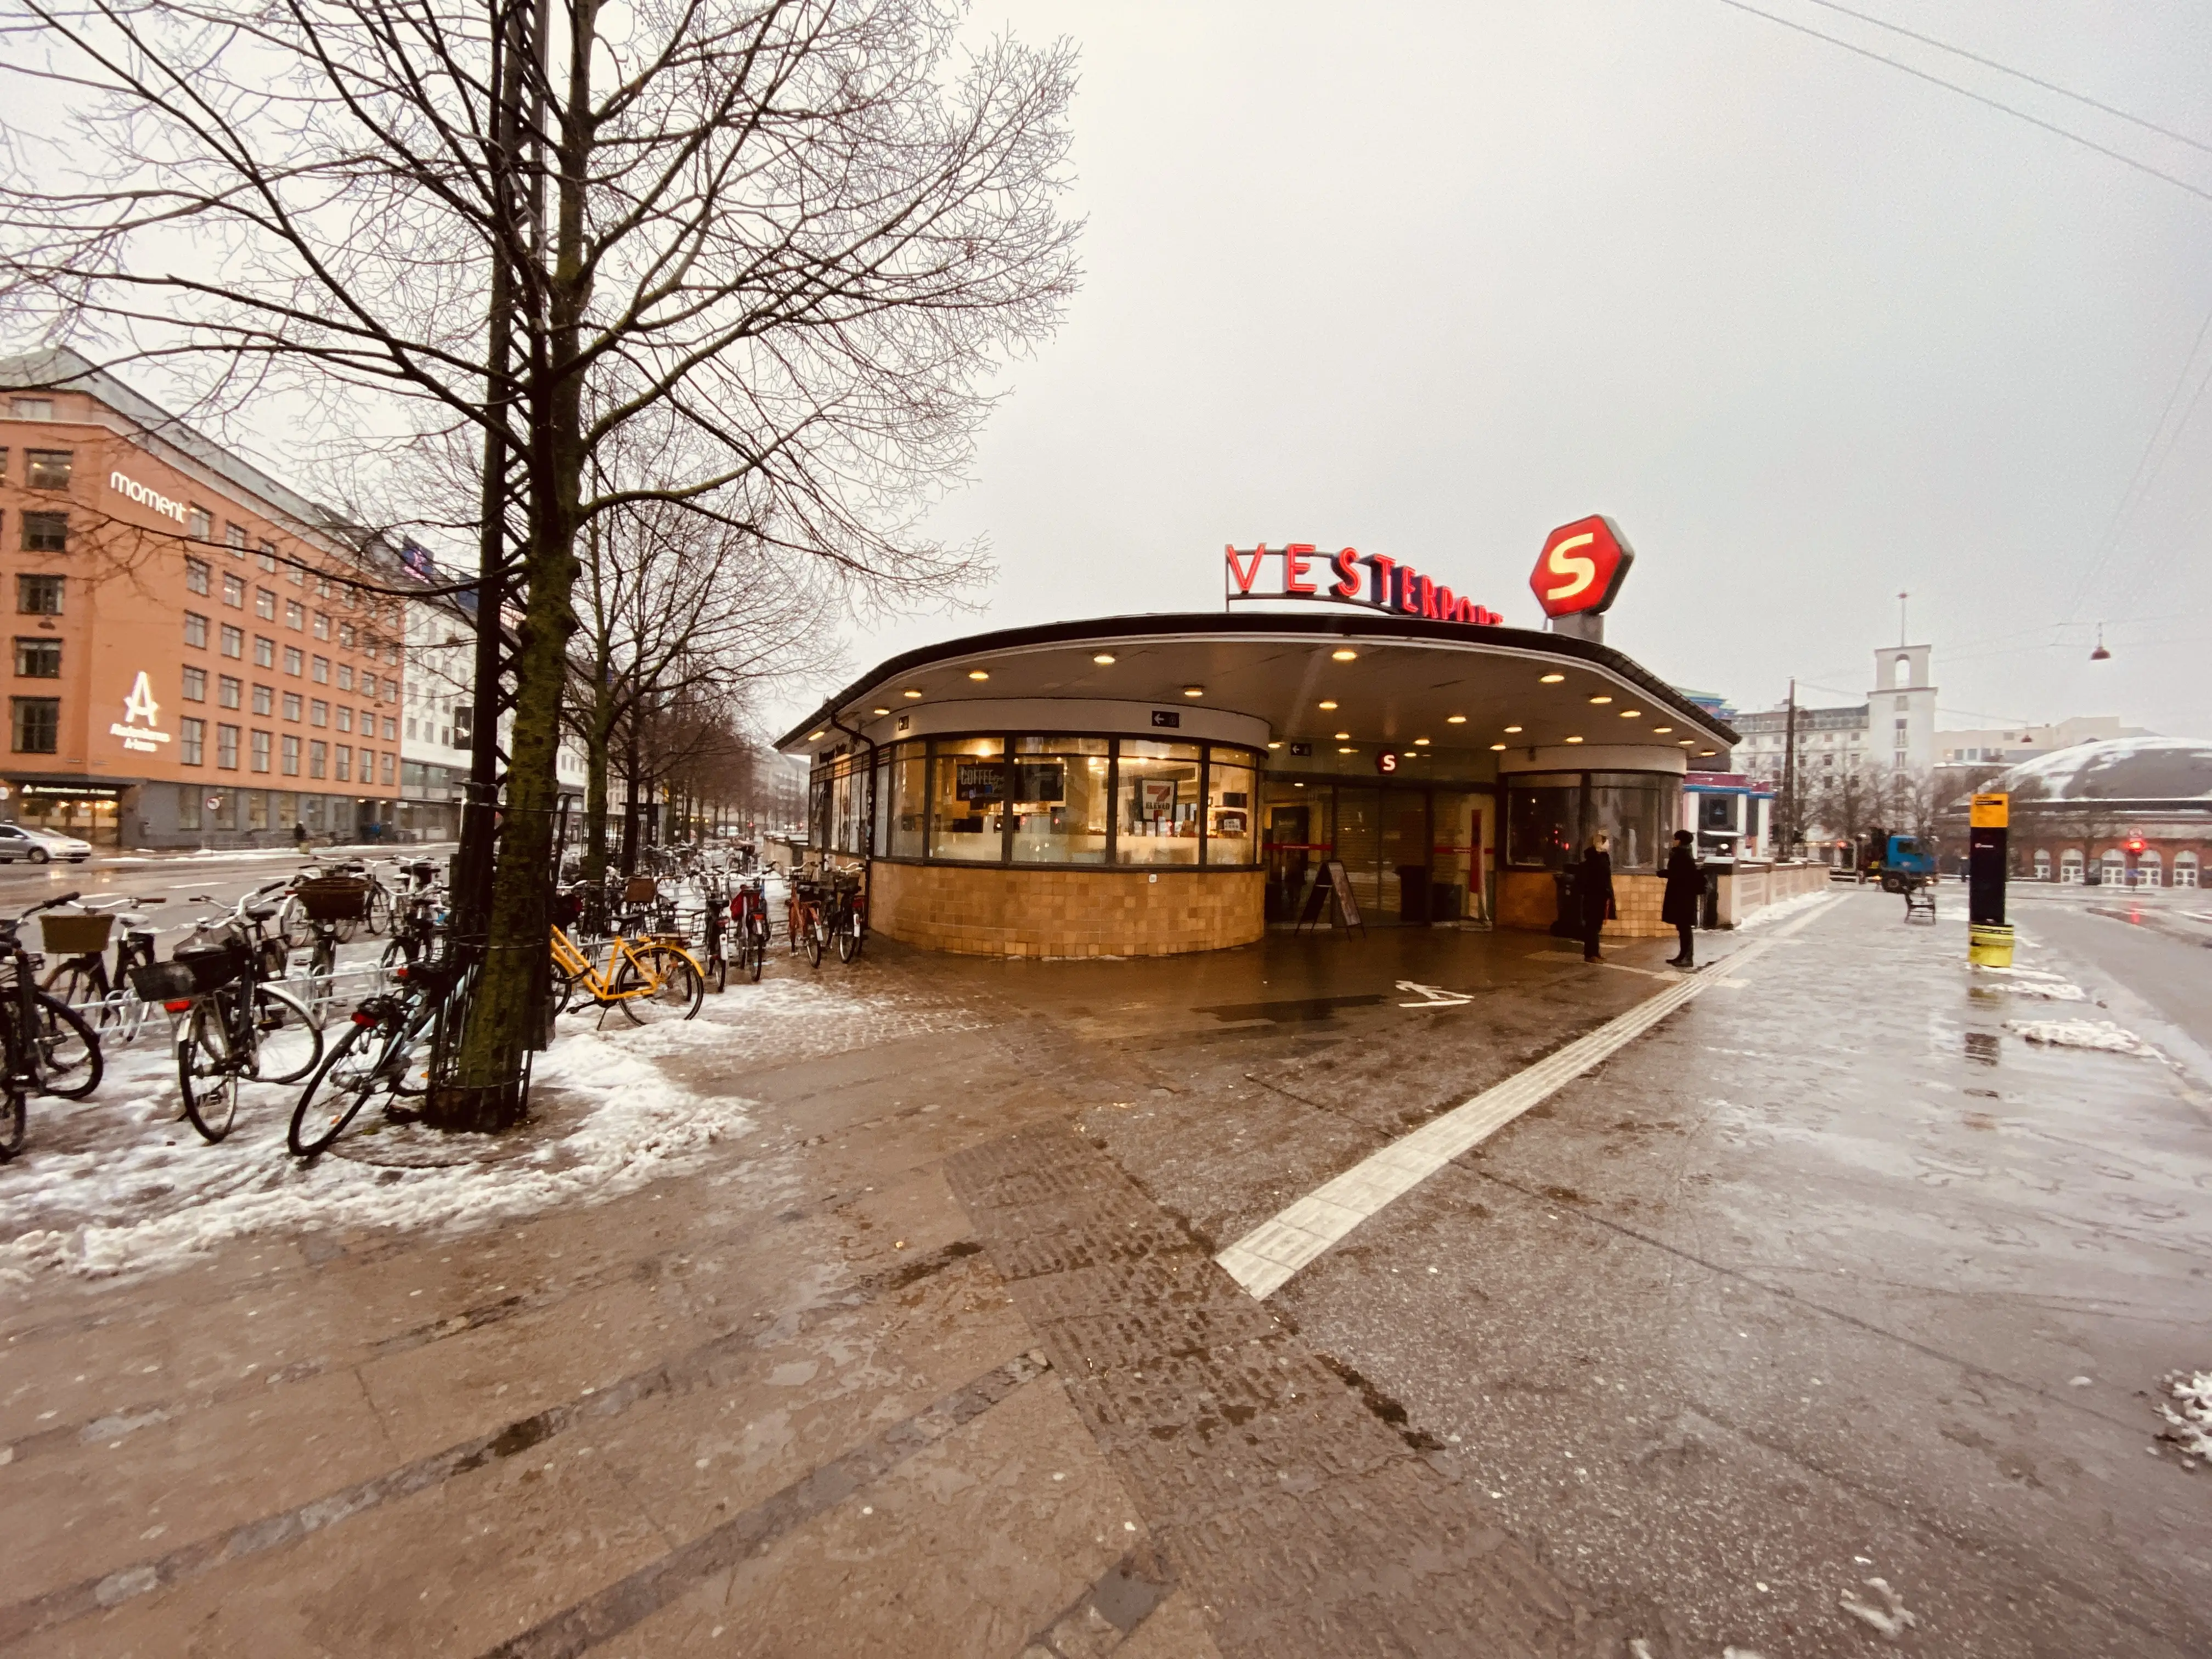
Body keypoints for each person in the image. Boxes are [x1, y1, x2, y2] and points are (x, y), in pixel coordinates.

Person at [1663, 828, 1706, 968]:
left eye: (1675, 839)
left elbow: (1682, 876)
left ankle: (1687, 957)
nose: (1673, 841)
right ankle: (1683, 955)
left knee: (1685, 927)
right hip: (1681, 896)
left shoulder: (1683, 856)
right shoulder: (1682, 854)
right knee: (1682, 927)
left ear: (1679, 841)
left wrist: (1666, 874)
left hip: (1684, 897)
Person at [1577, 832, 1615, 963]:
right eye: (1606, 841)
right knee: (1592, 927)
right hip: (1595, 898)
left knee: (1596, 926)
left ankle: (1595, 952)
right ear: (1600, 844)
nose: (1609, 844)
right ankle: (1590, 954)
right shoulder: (1595, 860)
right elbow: (1596, 880)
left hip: (1599, 897)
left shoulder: (1601, 858)